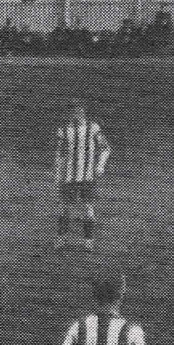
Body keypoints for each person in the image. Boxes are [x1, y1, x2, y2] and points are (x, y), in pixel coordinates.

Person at [53, 102, 112, 251]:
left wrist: (100, 166)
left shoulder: (93, 128)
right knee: (65, 207)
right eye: (73, 111)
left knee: (87, 207)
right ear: (70, 113)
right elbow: (60, 154)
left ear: (84, 112)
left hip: (87, 176)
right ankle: (61, 238)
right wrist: (58, 173)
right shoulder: (63, 131)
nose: (77, 114)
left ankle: (88, 241)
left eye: (79, 110)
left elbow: (105, 148)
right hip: (69, 177)